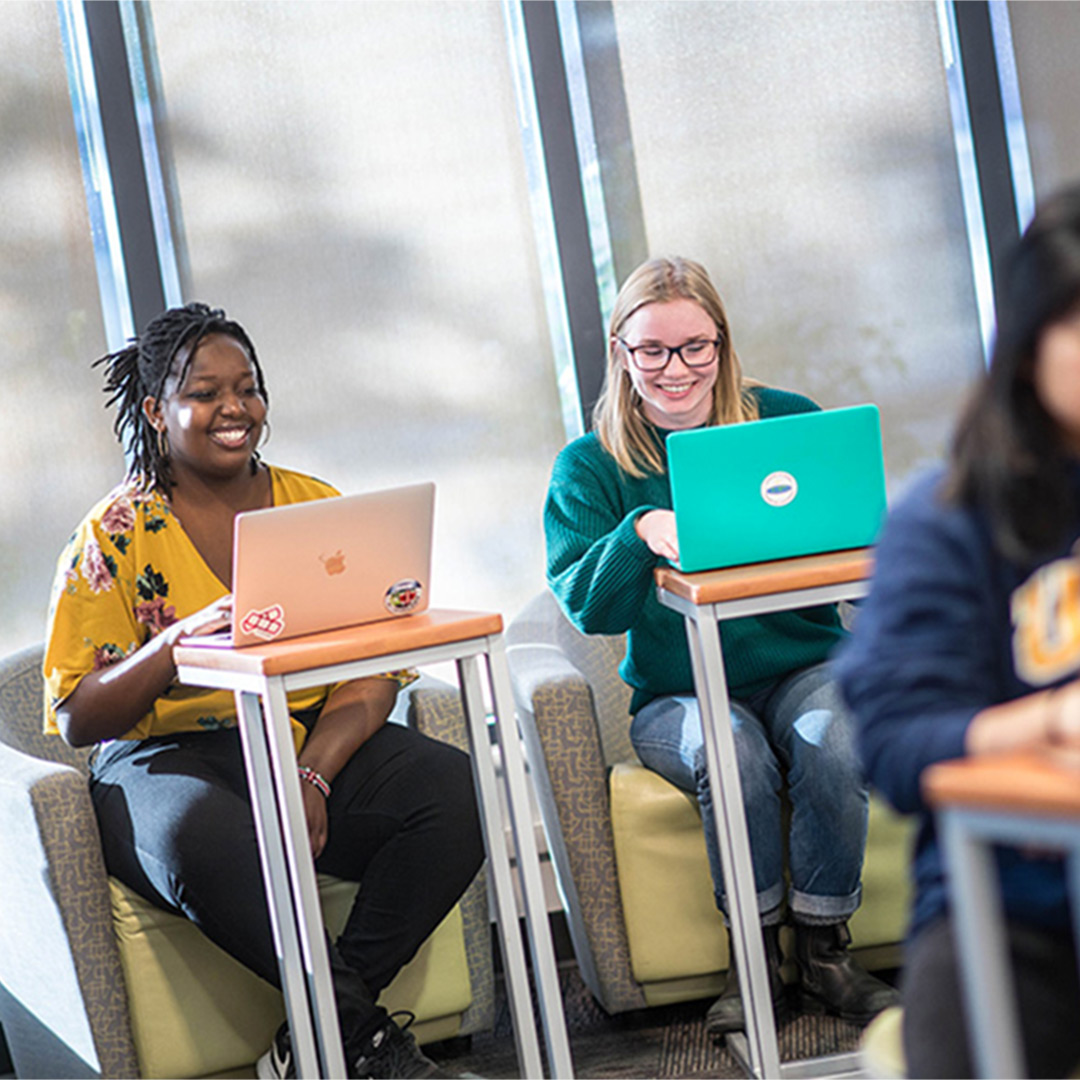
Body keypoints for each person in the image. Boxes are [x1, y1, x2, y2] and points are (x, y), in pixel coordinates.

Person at [43, 302, 484, 1080]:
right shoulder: (113, 534)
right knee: (205, 837)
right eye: (206, 392)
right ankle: (359, 1037)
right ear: (155, 410)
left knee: (456, 792)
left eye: (247, 387)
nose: (234, 408)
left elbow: (371, 669)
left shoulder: (316, 507)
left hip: (308, 740)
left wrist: (310, 775)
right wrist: (173, 647)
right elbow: (80, 714)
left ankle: (314, 1039)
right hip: (164, 760)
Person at [543, 256, 898, 1037]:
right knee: (733, 755)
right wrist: (639, 534)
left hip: (805, 670)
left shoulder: (785, 421)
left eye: (696, 348)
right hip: (680, 696)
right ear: (622, 352)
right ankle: (753, 959)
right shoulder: (591, 467)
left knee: (833, 737)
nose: (676, 370)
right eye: (653, 351)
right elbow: (586, 606)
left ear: (722, 345)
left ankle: (823, 948)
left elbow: (850, 543)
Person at [837, 187, 1080, 1078]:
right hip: (1017, 910)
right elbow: (897, 743)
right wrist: (1050, 721)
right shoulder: (948, 525)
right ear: (1026, 350)